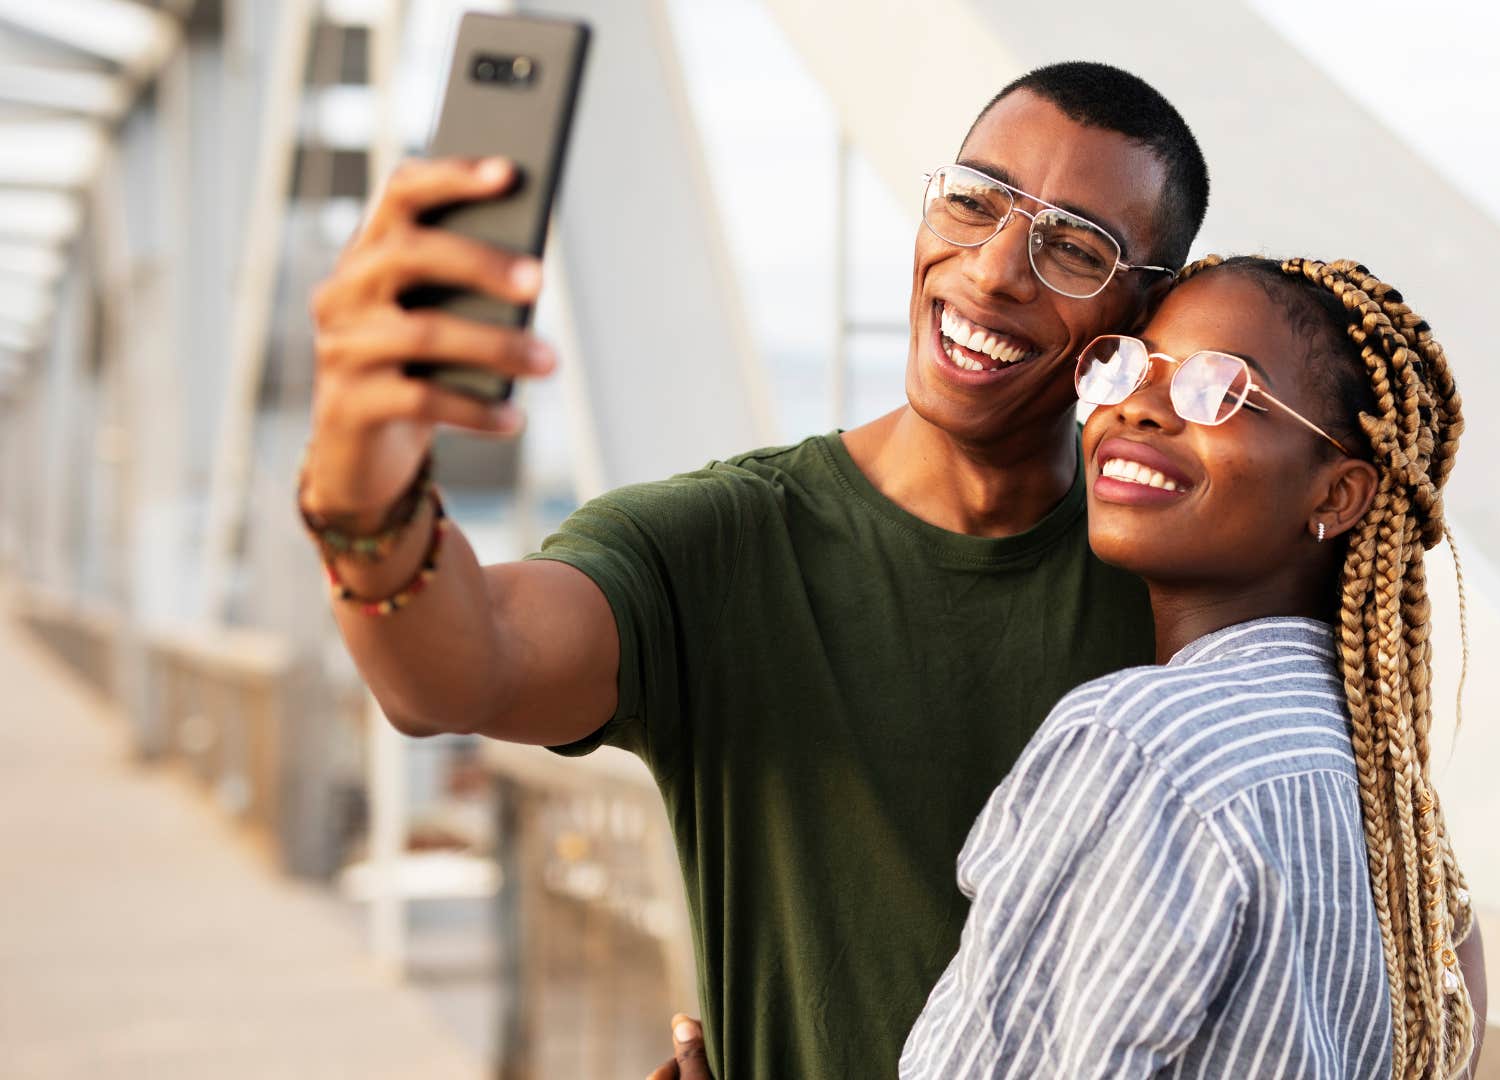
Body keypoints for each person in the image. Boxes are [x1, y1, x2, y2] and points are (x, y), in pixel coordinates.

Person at [300, 62, 1207, 1076]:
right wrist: (360, 489)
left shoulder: (1183, 594)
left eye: (1075, 248)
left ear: (1146, 320)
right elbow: (459, 671)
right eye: (972, 200)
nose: (994, 268)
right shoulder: (723, 546)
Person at [897, 255, 1488, 1078]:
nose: (1138, 407)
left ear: (1335, 496)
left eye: (1217, 388)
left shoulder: (1145, 744)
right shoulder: (1399, 823)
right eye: (1129, 365)